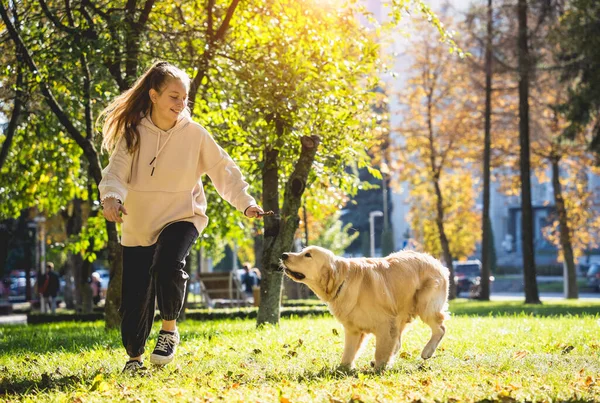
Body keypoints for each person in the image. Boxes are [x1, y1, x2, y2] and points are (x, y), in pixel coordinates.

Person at [98, 61, 264, 373]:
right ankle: (134, 359)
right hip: (139, 222)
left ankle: (169, 331)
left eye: (184, 97)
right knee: (135, 297)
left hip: (183, 214)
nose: (180, 103)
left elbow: (224, 171)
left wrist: (245, 203)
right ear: (154, 96)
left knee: (167, 263)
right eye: (173, 96)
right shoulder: (133, 134)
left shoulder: (195, 135)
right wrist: (111, 198)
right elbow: (115, 173)